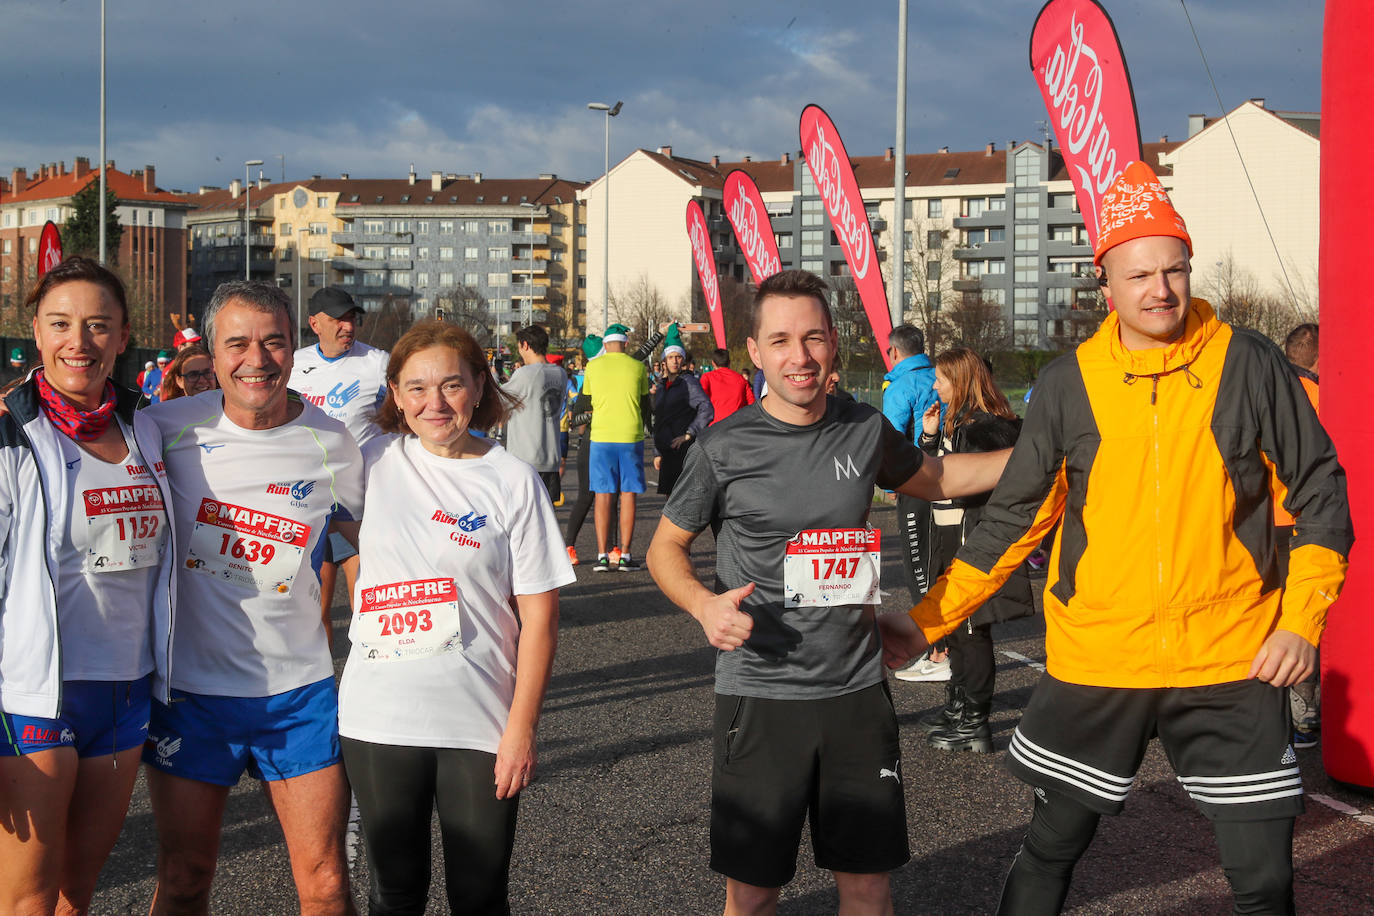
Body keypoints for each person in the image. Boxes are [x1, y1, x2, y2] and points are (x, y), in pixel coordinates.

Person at [882, 161, 1352, 915]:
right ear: (1107, 284)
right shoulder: (1070, 381)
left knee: (1266, 881)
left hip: (1232, 656)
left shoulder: (1249, 362)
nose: (1160, 290)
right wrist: (925, 622)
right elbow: (1015, 519)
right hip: (1100, 656)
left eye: (1174, 270)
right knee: (1052, 847)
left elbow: (1323, 492)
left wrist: (1302, 624)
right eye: (1140, 275)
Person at [645, 269, 1011, 916]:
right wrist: (702, 605)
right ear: (755, 352)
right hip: (761, 696)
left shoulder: (864, 428)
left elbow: (944, 477)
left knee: (868, 890)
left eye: (813, 338)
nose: (799, 357)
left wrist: (1046, 449)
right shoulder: (723, 446)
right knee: (754, 895)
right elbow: (664, 547)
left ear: (834, 343)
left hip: (856, 697)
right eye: (780, 340)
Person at [142, 280, 364, 915]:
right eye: (237, 343)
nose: (257, 359)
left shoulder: (333, 442)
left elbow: (380, 535)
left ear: (295, 350)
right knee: (185, 876)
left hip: (299, 691)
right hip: (191, 691)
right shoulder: (163, 429)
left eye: (273, 342)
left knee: (324, 882)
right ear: (210, 356)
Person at [336, 320, 573, 914]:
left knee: (480, 894)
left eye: (451, 385)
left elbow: (541, 619)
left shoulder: (512, 480)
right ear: (394, 394)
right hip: (379, 717)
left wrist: (522, 728)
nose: (433, 403)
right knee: (394, 892)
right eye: (415, 388)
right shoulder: (371, 460)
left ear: (479, 386)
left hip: (480, 722)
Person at [0, 257, 176, 914]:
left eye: (98, 325)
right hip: (36, 698)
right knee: (27, 900)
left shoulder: (149, 427)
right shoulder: (10, 434)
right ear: (37, 334)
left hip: (127, 693)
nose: (80, 341)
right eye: (62, 324)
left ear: (124, 335)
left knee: (78, 894)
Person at [915, 348, 1031, 753]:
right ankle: (959, 705)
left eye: (941, 379)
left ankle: (975, 721)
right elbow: (931, 475)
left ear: (960, 381)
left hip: (975, 537)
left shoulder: (987, 428)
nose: (934, 386)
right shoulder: (960, 423)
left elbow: (968, 483)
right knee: (955, 627)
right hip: (953, 535)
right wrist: (929, 436)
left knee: (972, 629)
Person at [289, 286, 389, 648]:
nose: (348, 326)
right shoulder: (293, 364)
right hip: (310, 500)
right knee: (316, 613)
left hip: (360, 502)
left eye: (351, 318)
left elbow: (405, 420)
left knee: (370, 603)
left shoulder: (377, 363)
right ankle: (327, 694)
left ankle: (369, 689)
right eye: (337, 319)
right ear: (315, 323)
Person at [882, 324, 946, 684]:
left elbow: (891, 437)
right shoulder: (940, 376)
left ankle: (938, 650)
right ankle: (942, 647)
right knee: (940, 558)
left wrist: (891, 479)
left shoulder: (901, 385)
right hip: (951, 478)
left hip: (916, 482)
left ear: (894, 352)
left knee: (918, 565)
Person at [1279, 321, 1322, 749]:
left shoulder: (1264, 388)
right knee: (1306, 616)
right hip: (1301, 520)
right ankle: (1305, 715)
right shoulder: (1320, 396)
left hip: (1257, 522)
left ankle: (1280, 717)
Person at [578, 322, 651, 572]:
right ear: (626, 343)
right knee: (628, 494)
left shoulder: (592, 367)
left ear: (605, 345)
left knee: (602, 495)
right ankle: (626, 556)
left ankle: (601, 554)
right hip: (631, 435)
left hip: (601, 436)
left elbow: (587, 400)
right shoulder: (638, 366)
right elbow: (644, 401)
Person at [502, 324, 569, 500]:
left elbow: (498, 401)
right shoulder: (560, 373)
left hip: (526, 459)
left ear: (525, 345)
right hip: (551, 458)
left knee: (521, 519)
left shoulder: (526, 374)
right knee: (544, 519)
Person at [651, 335, 712, 496]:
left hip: (684, 452)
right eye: (671, 357)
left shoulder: (688, 382)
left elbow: (706, 408)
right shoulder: (662, 386)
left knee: (684, 504)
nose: (675, 361)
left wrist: (688, 434)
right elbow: (659, 421)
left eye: (678, 357)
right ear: (664, 361)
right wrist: (657, 452)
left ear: (683, 360)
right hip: (667, 452)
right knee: (671, 504)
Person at [699, 348, 755, 424]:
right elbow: (752, 404)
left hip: (714, 427)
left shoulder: (707, 377)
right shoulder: (741, 379)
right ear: (729, 362)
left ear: (713, 363)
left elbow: (701, 402)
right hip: (737, 426)